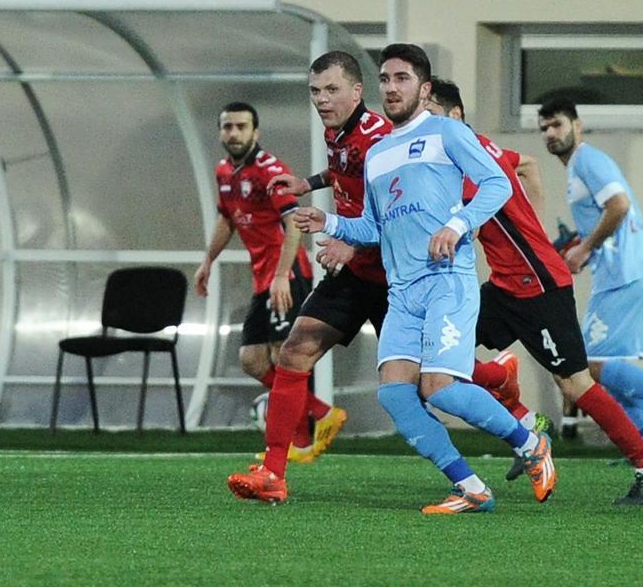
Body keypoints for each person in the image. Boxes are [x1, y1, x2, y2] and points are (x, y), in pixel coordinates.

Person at [232, 43, 556, 512]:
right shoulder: (375, 149)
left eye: (401, 79)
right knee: (385, 389)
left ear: (423, 89)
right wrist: (328, 221)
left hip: (429, 278)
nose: (322, 99)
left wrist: (457, 225)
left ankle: (524, 432)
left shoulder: (437, 133)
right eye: (386, 79)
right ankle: (468, 485)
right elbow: (372, 218)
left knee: (439, 385)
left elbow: (499, 181)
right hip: (389, 283)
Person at [427, 78, 643, 504]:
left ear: (455, 116)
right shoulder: (479, 150)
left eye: (432, 115)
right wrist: (533, 227)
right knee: (443, 357)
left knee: (574, 383)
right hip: (504, 286)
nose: (426, 125)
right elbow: (528, 165)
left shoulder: (469, 162)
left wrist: (526, 237)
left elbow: (497, 197)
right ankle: (521, 413)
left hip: (539, 287)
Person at [225, 51, 391, 493]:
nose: (321, 99)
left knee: (430, 384)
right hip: (353, 272)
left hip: (394, 278)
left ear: (357, 91)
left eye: (332, 89)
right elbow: (343, 170)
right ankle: (273, 474)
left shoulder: (380, 139)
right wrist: (308, 184)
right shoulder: (337, 128)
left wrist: (351, 241)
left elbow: (397, 208)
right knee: (295, 351)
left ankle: (503, 394)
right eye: (315, 91)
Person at [536, 98, 643, 458]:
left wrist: (585, 249)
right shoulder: (580, 166)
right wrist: (581, 245)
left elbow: (619, 205)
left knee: (589, 365)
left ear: (577, 125)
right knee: (609, 366)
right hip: (625, 272)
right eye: (544, 128)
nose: (550, 133)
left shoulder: (587, 159)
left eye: (557, 124)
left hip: (623, 273)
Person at [195, 102, 320, 460]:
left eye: (241, 126)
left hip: (287, 273)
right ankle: (317, 412)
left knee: (285, 355)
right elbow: (227, 219)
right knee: (251, 359)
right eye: (227, 127)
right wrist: (208, 260)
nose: (233, 133)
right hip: (263, 278)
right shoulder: (224, 172)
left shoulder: (271, 170)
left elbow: (294, 223)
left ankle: (301, 440)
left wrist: (282, 276)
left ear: (256, 132)